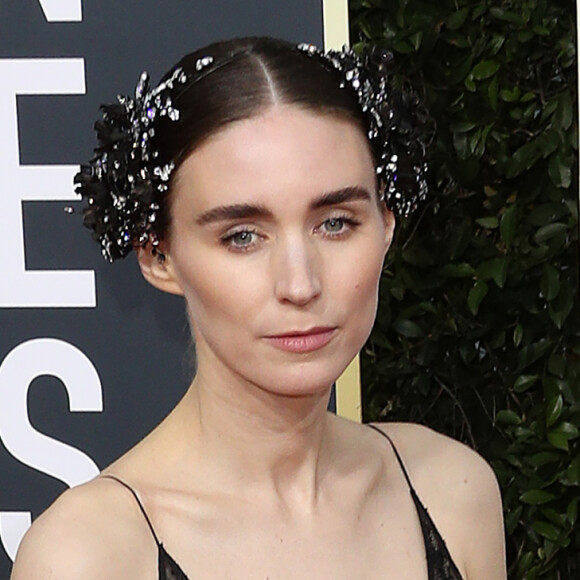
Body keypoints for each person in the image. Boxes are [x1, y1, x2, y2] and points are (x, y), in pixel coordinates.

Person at [11, 37, 505, 580]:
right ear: (158, 256)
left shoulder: (454, 493)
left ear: (386, 224)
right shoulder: (90, 556)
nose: (300, 283)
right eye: (243, 236)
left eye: (335, 222)